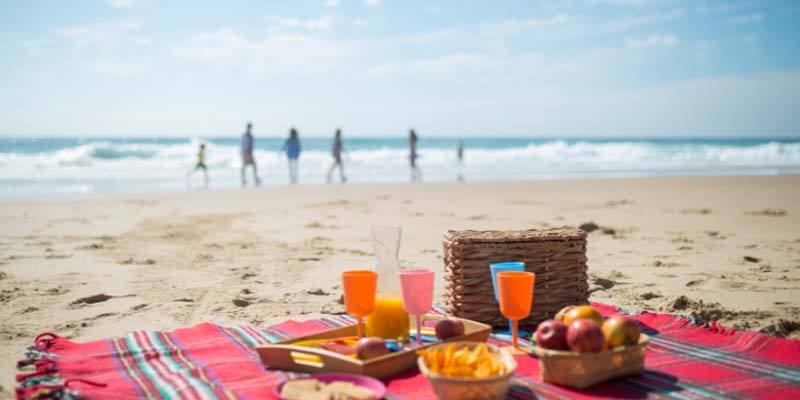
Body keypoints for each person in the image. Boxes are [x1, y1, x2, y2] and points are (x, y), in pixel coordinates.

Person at [240, 122, 261, 186]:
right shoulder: (246, 135)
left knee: (252, 166)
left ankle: (253, 178)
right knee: (247, 166)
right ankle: (244, 179)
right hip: (247, 153)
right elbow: (245, 145)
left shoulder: (249, 135)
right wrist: (245, 152)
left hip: (248, 152)